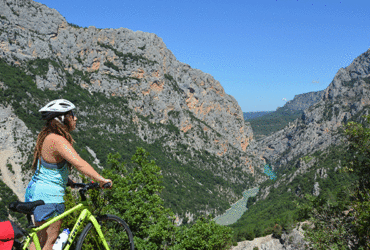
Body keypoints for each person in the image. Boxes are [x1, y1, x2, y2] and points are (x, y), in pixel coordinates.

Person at [25, 99, 113, 250]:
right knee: (49, 243)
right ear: (62, 119)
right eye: (72, 114)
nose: (75, 118)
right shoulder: (57, 140)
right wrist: (101, 179)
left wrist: (68, 181)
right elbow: (80, 163)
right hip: (49, 197)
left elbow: (49, 168)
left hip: (36, 192)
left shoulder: (47, 137)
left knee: (38, 243)